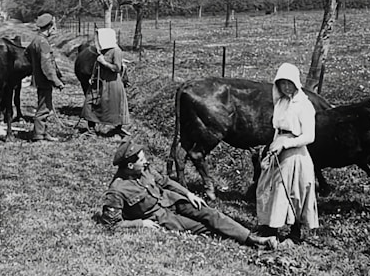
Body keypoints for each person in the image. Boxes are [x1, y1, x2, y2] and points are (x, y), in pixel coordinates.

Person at [98, 138, 277, 249]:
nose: (146, 162)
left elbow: (166, 182)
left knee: (210, 213)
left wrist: (189, 194)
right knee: (203, 228)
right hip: (161, 216)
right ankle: (247, 242)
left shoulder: (144, 169)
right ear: (130, 165)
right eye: (141, 159)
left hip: (171, 200)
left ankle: (253, 239)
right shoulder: (117, 191)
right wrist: (141, 223)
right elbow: (112, 225)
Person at [256, 63, 319, 246]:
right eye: (282, 83)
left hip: (295, 152)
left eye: (289, 83)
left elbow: (309, 136)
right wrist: (272, 147)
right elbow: (278, 128)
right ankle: (271, 227)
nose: (286, 87)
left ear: (296, 83)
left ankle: (295, 233)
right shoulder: (281, 102)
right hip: (279, 148)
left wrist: (286, 144)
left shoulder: (304, 105)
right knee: (271, 187)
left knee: (293, 191)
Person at [81, 28, 130, 136]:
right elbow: (96, 65)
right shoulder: (102, 50)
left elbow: (117, 68)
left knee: (115, 105)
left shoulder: (116, 51)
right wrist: (93, 76)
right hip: (99, 81)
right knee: (90, 102)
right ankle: (91, 128)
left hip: (112, 82)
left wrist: (104, 62)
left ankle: (118, 128)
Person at [25, 13, 64, 142]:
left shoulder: (36, 40)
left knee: (46, 106)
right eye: (54, 25)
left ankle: (43, 132)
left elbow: (28, 55)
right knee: (44, 108)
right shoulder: (43, 43)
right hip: (45, 80)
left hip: (39, 78)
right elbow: (47, 66)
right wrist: (56, 81)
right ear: (50, 27)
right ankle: (38, 135)